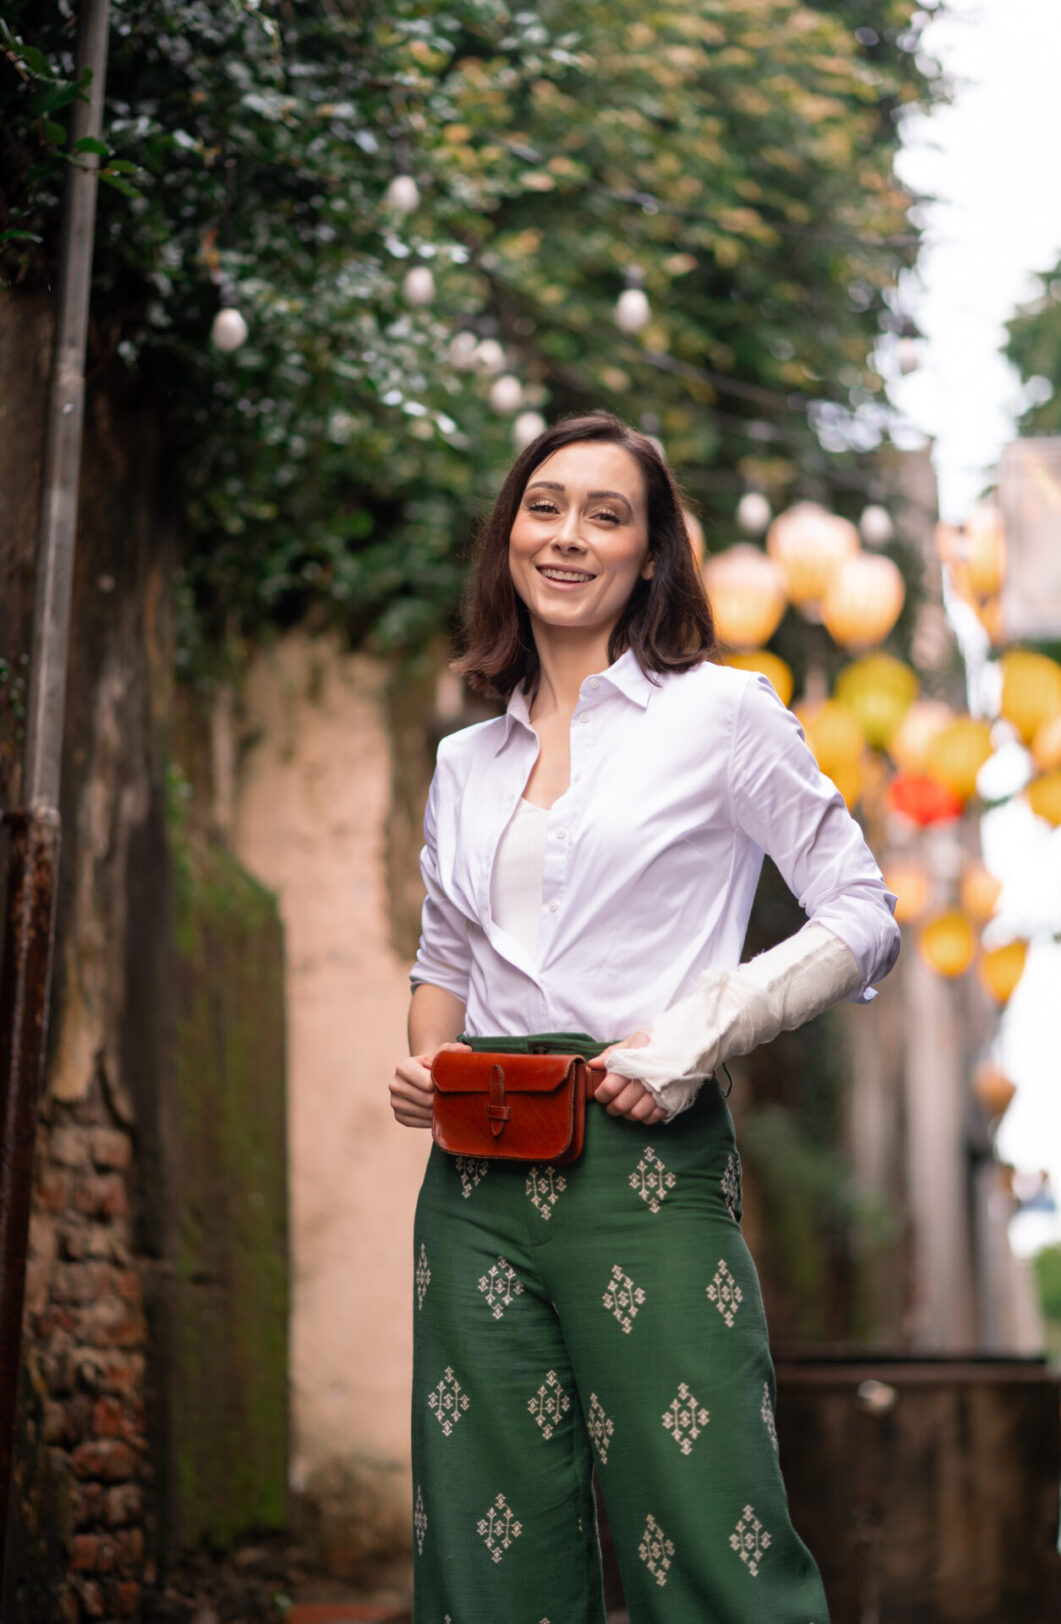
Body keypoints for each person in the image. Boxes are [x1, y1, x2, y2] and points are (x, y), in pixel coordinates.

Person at [390, 412, 900, 1623]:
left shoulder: (724, 716)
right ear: (510, 533)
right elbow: (444, 956)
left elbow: (863, 913)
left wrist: (701, 1034)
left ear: (653, 554)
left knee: (709, 1540)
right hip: (471, 1182)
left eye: (606, 514)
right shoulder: (465, 761)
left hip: (648, 1159)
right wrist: (426, 1063)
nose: (567, 536)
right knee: (482, 1549)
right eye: (544, 505)